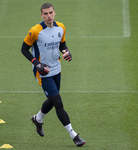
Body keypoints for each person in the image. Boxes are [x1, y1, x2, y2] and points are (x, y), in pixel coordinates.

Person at [21, 3, 85, 147]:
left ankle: (38, 119)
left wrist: (67, 52)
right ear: (41, 15)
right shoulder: (35, 31)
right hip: (43, 72)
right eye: (45, 13)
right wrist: (36, 63)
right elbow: (24, 49)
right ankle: (74, 135)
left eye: (50, 13)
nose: (48, 16)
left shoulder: (61, 27)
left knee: (52, 98)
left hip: (57, 69)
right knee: (58, 102)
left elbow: (62, 45)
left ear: (54, 13)